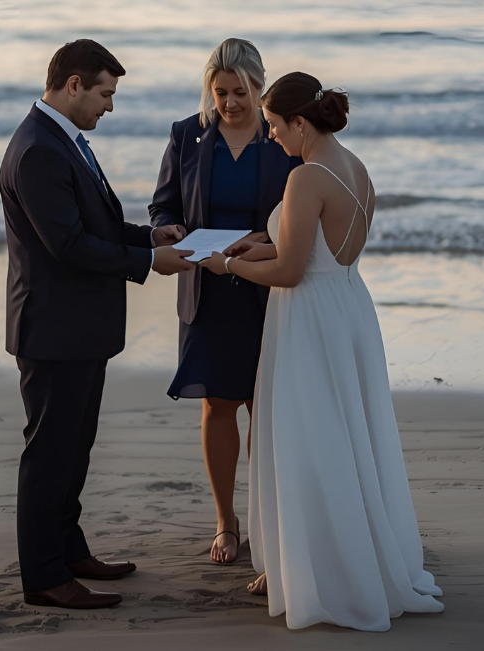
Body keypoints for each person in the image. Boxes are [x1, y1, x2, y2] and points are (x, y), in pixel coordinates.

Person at [201, 72, 445, 630]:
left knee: (308, 439)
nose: (271, 138)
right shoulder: (357, 169)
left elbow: (290, 271)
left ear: (301, 123)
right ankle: (320, 555)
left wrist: (229, 264)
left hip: (308, 320)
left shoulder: (305, 177)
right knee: (344, 436)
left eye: (275, 127)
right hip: (350, 311)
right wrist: (259, 239)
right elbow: (324, 249)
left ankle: (315, 568)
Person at [0, 39, 194, 610]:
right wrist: (148, 263)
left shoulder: (63, 141)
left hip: (77, 328)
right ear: (74, 85)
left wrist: (147, 236)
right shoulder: (38, 149)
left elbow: (96, 222)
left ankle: (68, 549)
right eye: (105, 93)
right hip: (54, 329)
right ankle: (43, 577)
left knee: (74, 449)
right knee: (49, 455)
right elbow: (67, 245)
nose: (110, 106)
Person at [149, 38, 298, 564]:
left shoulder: (280, 138)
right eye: (221, 92)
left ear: (260, 87)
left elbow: (296, 214)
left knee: (265, 407)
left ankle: (265, 520)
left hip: (267, 286)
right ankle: (226, 522)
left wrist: (258, 240)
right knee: (217, 403)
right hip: (206, 290)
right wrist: (166, 227)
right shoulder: (187, 135)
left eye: (240, 92)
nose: (230, 103)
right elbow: (162, 204)